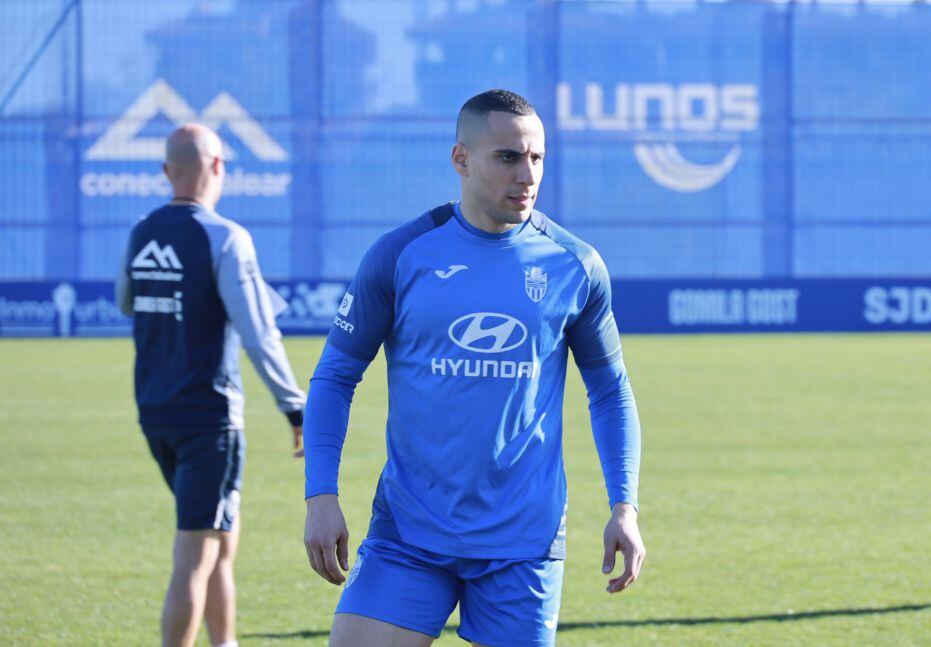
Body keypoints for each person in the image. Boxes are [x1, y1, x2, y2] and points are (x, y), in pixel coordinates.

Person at [303, 89, 645, 646]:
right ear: (461, 159)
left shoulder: (574, 265)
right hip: (409, 535)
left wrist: (623, 506)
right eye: (507, 157)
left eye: (536, 158)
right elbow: (335, 376)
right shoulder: (402, 254)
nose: (526, 174)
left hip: (523, 545)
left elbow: (611, 392)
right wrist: (321, 495)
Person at [116, 124, 307, 647]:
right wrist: (296, 408)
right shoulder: (225, 237)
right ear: (219, 167)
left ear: (165, 171)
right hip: (210, 420)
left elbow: (126, 301)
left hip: (155, 413)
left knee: (221, 541)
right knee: (195, 554)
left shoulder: (141, 231)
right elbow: (259, 335)